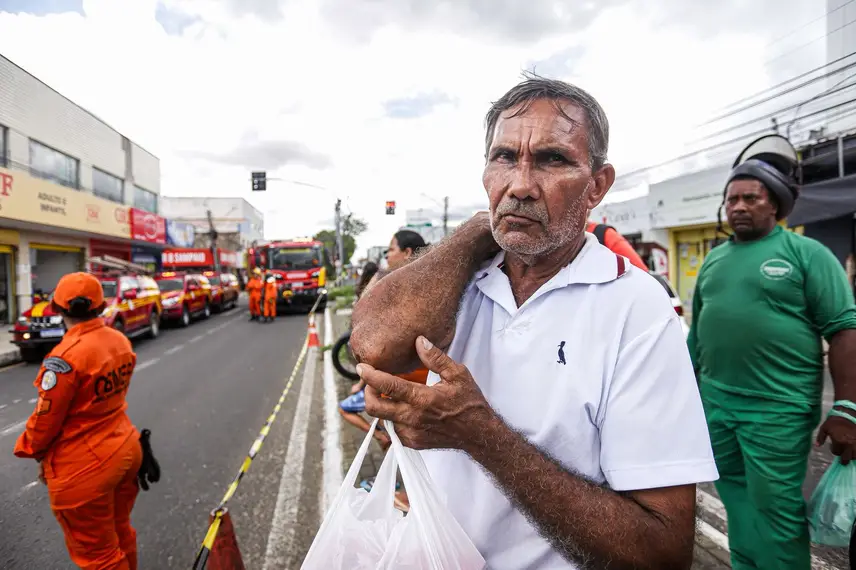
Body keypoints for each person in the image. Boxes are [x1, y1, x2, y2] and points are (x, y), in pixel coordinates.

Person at [350, 74, 717, 569]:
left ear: (597, 187)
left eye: (552, 159)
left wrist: (480, 435)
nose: (520, 185)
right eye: (504, 158)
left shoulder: (637, 308)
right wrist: (478, 232)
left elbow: (662, 552)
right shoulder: (458, 278)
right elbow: (371, 345)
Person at [687, 154, 856, 569]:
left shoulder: (806, 253)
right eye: (732, 199)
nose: (739, 206)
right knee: (736, 501)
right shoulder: (713, 260)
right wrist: (685, 398)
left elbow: (844, 329)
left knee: (776, 513)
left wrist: (847, 407)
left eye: (751, 198)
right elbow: (697, 336)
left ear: (776, 204)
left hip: (777, 408)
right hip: (717, 404)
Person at [14, 272, 152, 570]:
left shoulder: (64, 358)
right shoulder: (119, 340)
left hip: (85, 467)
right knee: (119, 531)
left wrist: (34, 451)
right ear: (101, 307)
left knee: (98, 557)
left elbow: (45, 421)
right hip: (126, 450)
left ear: (56, 307)